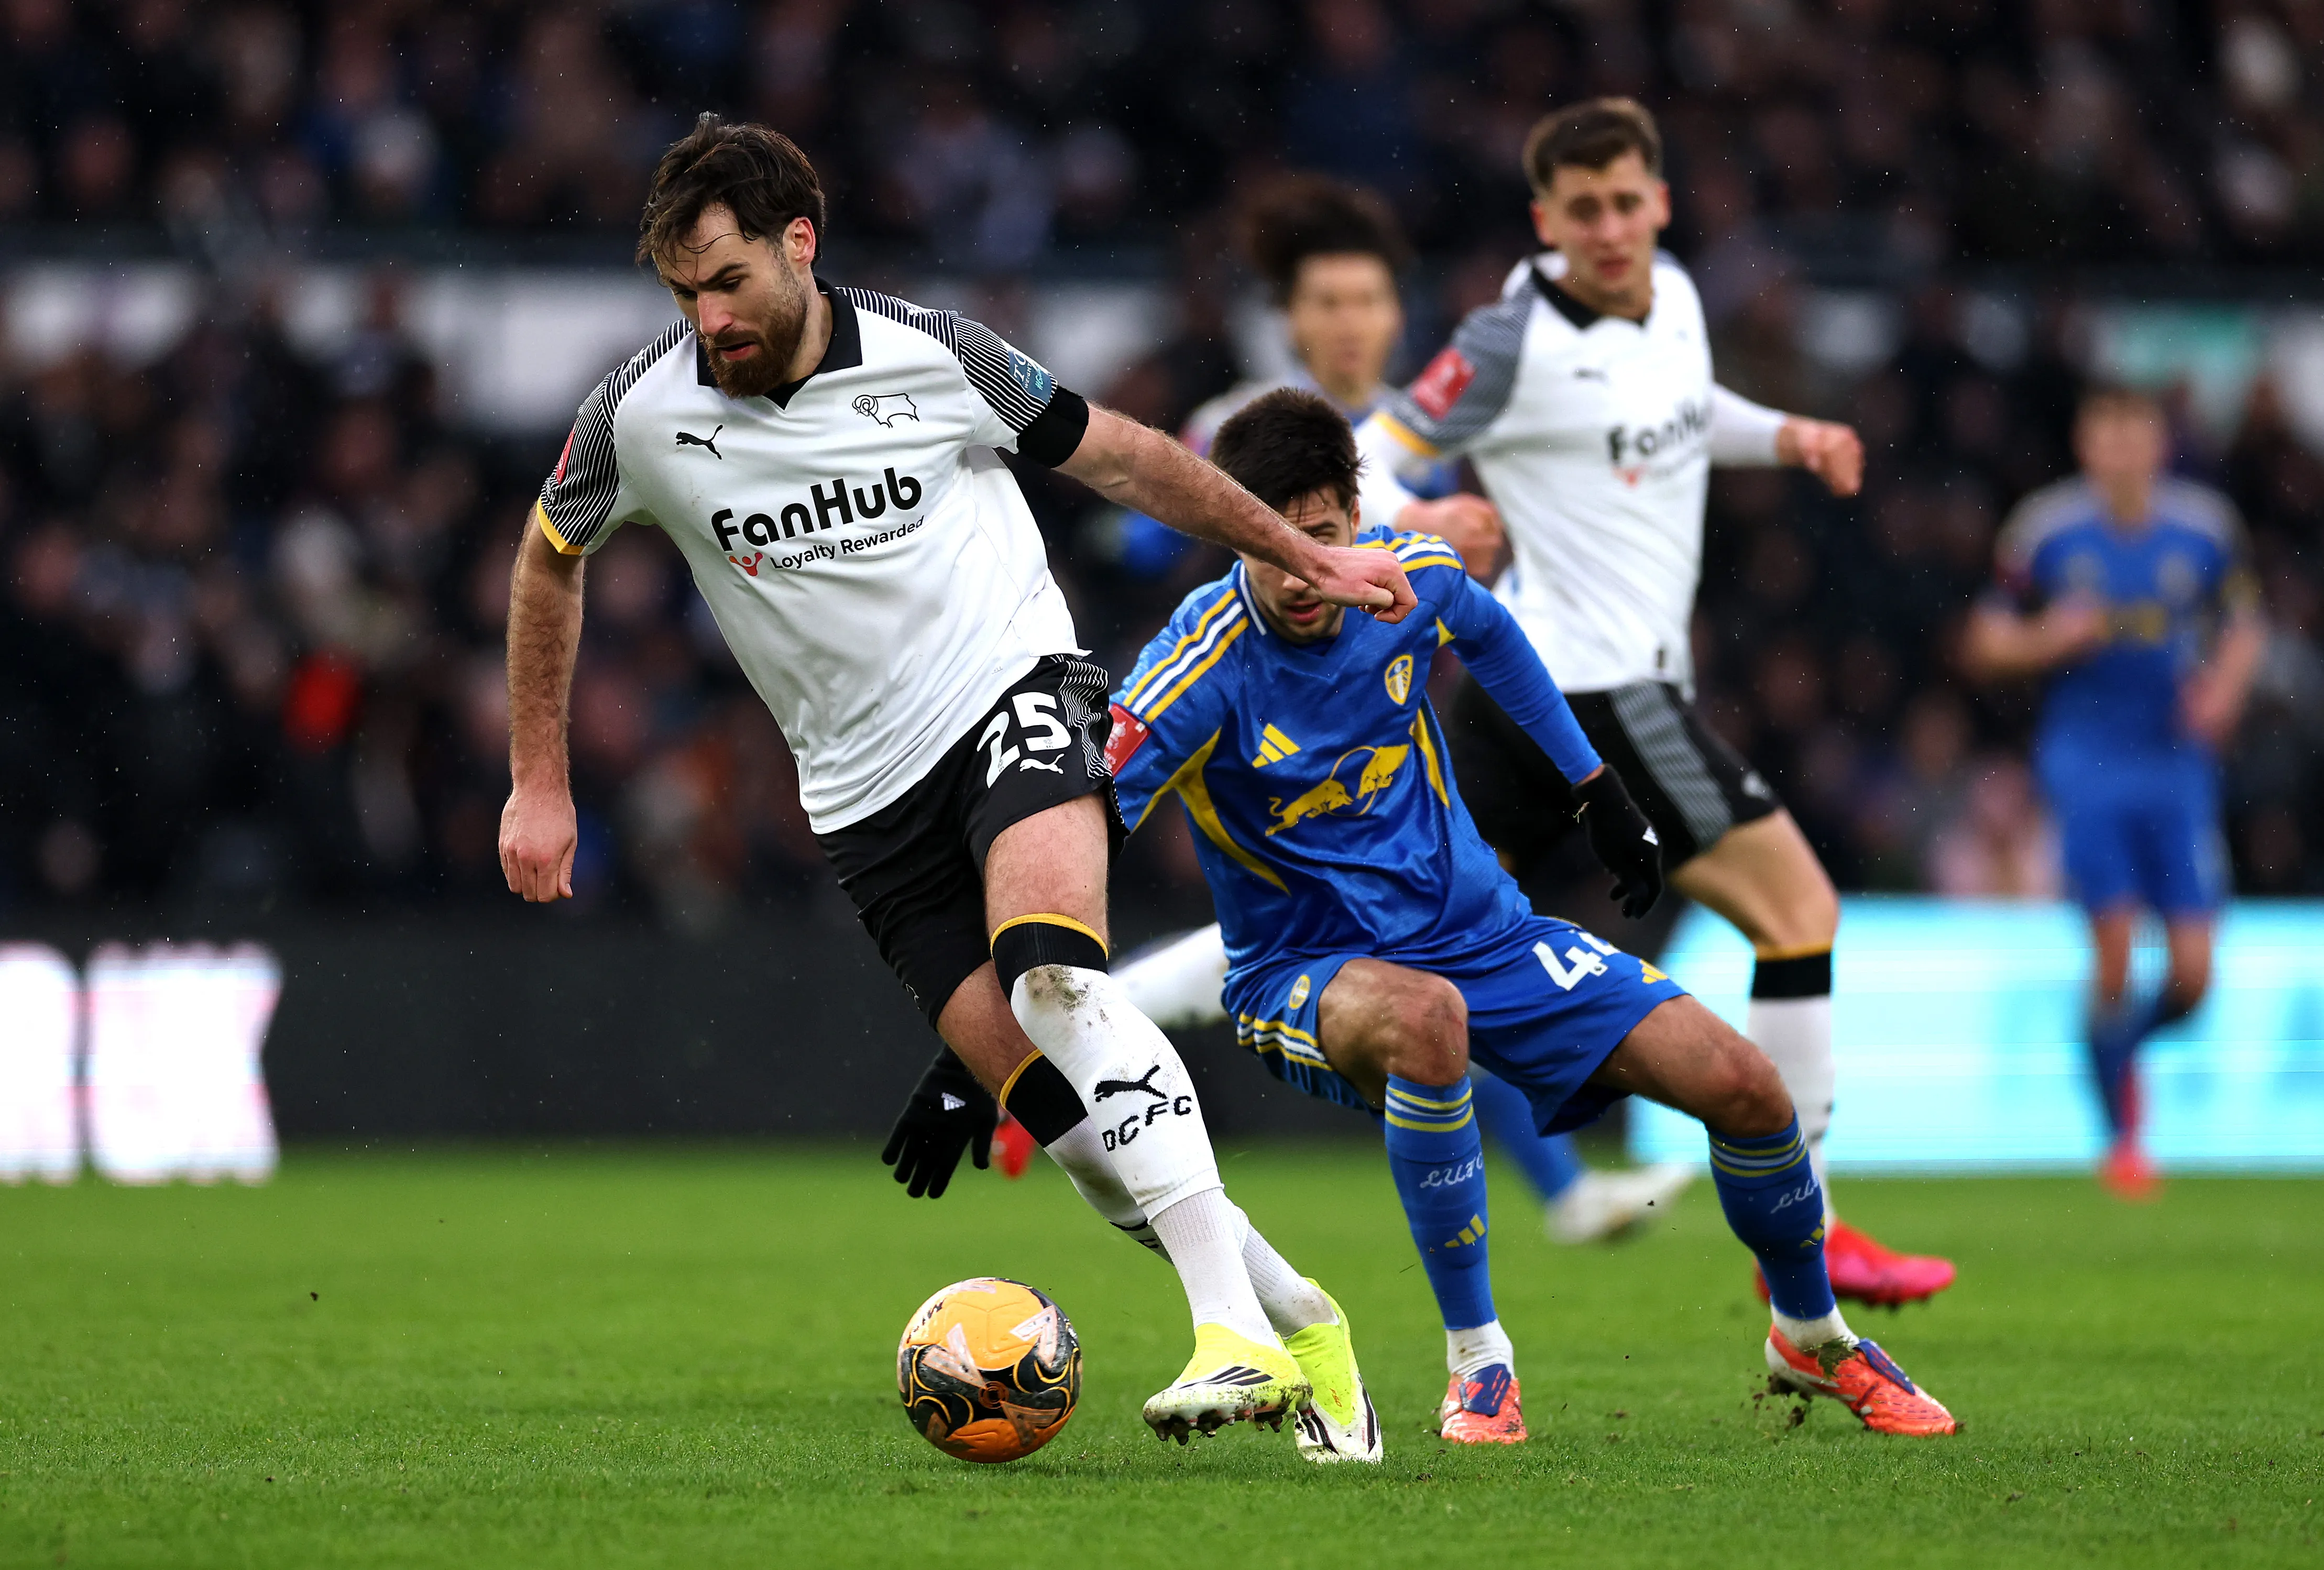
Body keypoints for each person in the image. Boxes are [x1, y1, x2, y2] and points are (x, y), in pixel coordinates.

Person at [496, 115, 1417, 1453]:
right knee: (1076, 1133)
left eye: (729, 281)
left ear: (798, 244)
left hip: (1012, 691)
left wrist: (1307, 555)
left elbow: (1127, 456)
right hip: (862, 800)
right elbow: (548, 560)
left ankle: (1228, 1336)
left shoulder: (935, 355)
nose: (709, 319)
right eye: (684, 294)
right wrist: (539, 780)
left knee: (1055, 978)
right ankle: (1303, 1318)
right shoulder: (638, 413)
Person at [1107, 389, 1955, 1440]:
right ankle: (1479, 1361)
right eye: (1267, 545)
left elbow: (1493, 633)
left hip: (1486, 936)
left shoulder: (1407, 577)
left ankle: (1809, 1332)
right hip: (1302, 972)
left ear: (1356, 518)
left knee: (1742, 1084)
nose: (1299, 573)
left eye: (1320, 538)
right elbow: (1089, 815)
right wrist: (1030, 975)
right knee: (1428, 1022)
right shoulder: (1196, 664)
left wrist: (1597, 787)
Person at [1352, 97, 1954, 1308]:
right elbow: (1370, 448)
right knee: (1797, 910)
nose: (1610, 229)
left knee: (1413, 953)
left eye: (1627, 203)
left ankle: (1151, 1032)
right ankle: (1813, 1229)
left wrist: (1789, 437)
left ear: (1661, 203)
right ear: (1545, 220)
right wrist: (1420, 516)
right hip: (1596, 690)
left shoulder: (1674, 297)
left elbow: (1681, 415)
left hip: (1522, 694)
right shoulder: (1508, 342)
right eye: (1583, 210)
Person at [1110, 173, 1695, 1243]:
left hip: (1413, 724)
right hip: (1262, 723)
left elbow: (1467, 582)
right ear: (1292, 320)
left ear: (1396, 314)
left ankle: (1560, 1188)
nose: (1349, 321)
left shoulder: (1416, 425)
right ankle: (1123, 1006)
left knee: (1444, 958)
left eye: (1369, 300)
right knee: (1382, 949)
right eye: (1327, 302)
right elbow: (1141, 536)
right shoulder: (1238, 428)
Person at [1963, 385, 2263, 1201]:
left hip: (2176, 763)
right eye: (2109, 437)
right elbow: (1984, 640)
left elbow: (2244, 625)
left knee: (2194, 977)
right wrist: (2046, 639)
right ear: (2086, 445)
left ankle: (2113, 1049)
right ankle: (2122, 1141)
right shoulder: (2046, 531)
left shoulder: (2205, 530)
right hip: (2086, 760)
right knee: (2116, 955)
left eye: (2138, 437)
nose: (2124, 453)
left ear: (2161, 445)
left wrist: (2224, 691)